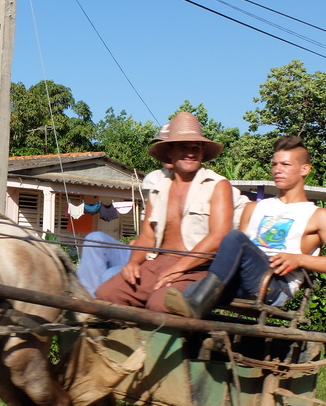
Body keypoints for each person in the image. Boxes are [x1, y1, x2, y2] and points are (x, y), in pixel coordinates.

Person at [165, 135, 326, 318]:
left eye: (285, 164)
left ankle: (195, 308)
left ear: (305, 169)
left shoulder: (318, 216)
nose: (277, 170)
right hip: (242, 281)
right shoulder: (253, 208)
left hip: (275, 285)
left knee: (233, 238)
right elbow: (233, 257)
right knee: (187, 290)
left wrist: (300, 260)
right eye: (274, 164)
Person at [94, 112, 233, 313]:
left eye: (196, 147)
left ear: (203, 152)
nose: (190, 153)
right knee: (107, 294)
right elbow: (147, 237)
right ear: (170, 151)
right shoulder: (159, 188)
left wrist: (180, 267)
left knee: (159, 305)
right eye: (183, 147)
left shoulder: (217, 185)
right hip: (157, 263)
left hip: (197, 269)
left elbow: (219, 237)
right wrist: (133, 262)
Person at [74, 122, 172, 295]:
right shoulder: (154, 180)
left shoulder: (201, 186)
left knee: (109, 277)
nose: (168, 154)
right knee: (94, 238)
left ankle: (100, 309)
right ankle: (85, 304)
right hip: (140, 250)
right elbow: (147, 231)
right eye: (164, 148)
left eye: (172, 147)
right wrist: (139, 244)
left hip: (161, 259)